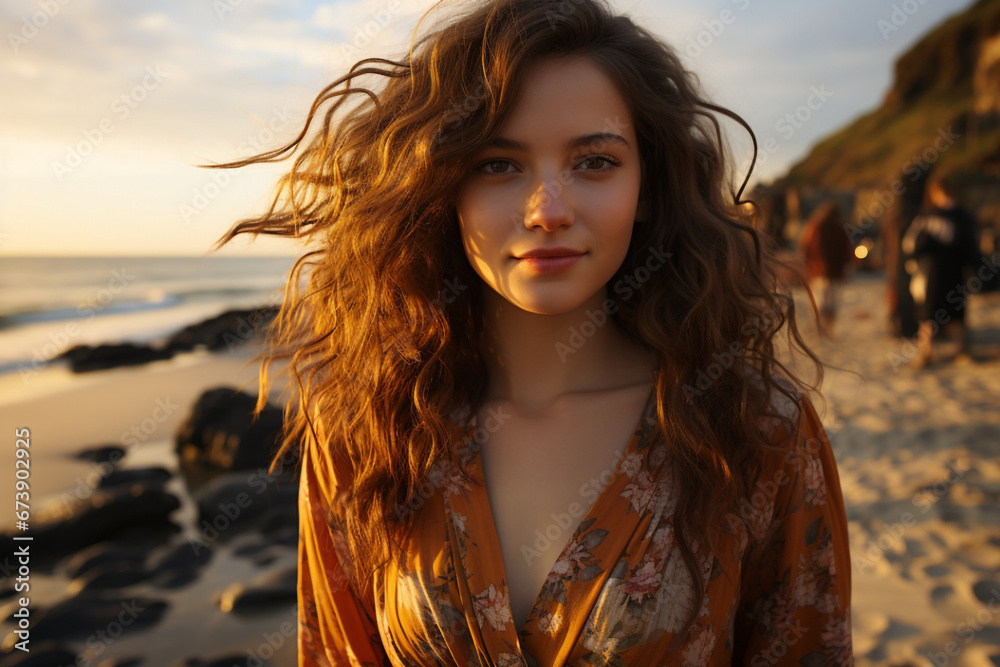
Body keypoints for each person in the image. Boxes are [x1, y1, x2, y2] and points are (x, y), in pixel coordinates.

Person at [206, 0, 854, 664]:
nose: (548, 210)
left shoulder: (754, 431)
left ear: (649, 187)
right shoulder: (365, 432)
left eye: (595, 162)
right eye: (498, 164)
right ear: (441, 186)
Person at [902, 174, 982, 368]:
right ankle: (929, 352)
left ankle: (956, 351)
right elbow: (911, 245)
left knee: (949, 312)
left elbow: (911, 246)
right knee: (933, 313)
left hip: (947, 272)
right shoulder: (934, 217)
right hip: (936, 274)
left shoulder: (943, 217)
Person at [797, 200, 855, 334]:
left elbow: (805, 247)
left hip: (819, 270)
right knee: (832, 302)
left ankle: (820, 328)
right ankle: (828, 329)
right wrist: (847, 267)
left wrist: (806, 264)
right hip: (834, 271)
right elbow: (846, 251)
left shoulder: (815, 227)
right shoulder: (840, 228)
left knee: (820, 302)